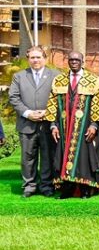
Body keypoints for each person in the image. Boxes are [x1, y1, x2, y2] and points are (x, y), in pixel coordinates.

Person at [45, 51, 99, 199]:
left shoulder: (93, 80)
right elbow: (52, 103)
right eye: (71, 59)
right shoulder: (59, 80)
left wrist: (94, 125)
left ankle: (85, 189)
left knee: (84, 156)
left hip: (84, 127)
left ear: (82, 61)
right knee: (63, 154)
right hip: (64, 128)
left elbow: (98, 105)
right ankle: (67, 189)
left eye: (77, 59)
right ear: (68, 62)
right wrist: (53, 125)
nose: (74, 62)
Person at [9, 46, 60, 197]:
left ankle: (46, 186)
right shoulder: (19, 76)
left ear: (45, 58)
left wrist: (48, 112)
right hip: (27, 124)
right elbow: (14, 97)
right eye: (32, 57)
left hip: (48, 124)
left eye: (38, 57)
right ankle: (29, 186)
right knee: (27, 157)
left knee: (47, 156)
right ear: (28, 59)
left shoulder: (55, 75)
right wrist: (28, 113)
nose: (35, 60)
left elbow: (60, 98)